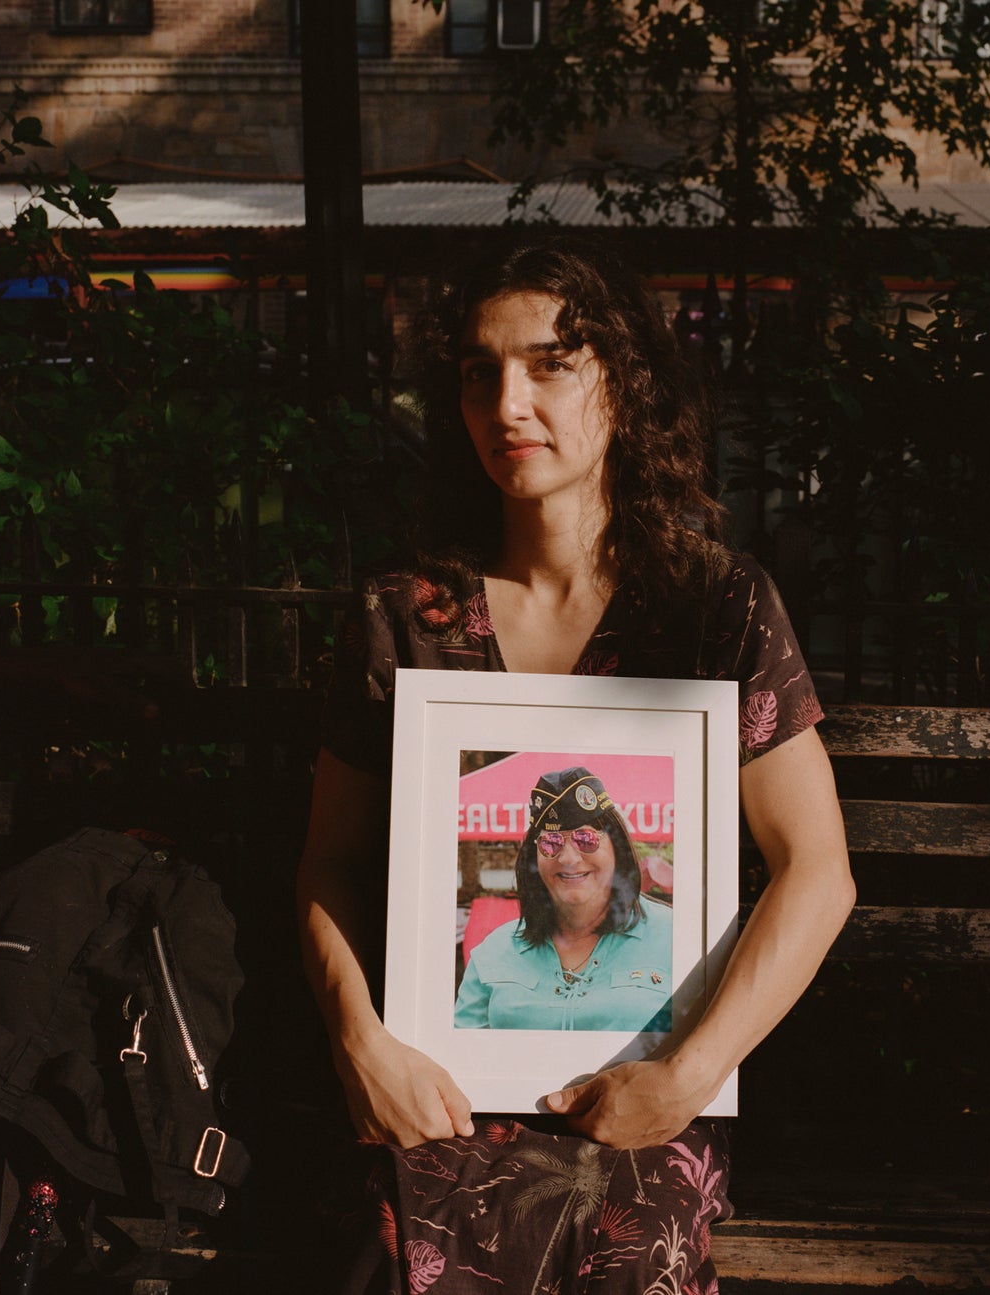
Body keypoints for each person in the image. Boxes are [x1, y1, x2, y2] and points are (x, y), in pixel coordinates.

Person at [297, 234, 855, 1294]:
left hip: (643, 1090)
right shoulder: (406, 617)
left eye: (551, 361)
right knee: (397, 1237)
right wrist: (362, 1044)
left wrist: (684, 1079)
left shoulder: (712, 605)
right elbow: (328, 861)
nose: (507, 402)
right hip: (438, 1085)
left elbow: (817, 868)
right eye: (479, 369)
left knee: (632, 1245)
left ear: (624, 382)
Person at [453, 766, 673, 1032]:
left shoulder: (675, 938)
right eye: (551, 843)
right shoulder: (493, 953)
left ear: (618, 846)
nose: (568, 859)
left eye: (586, 839)